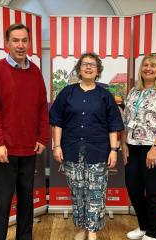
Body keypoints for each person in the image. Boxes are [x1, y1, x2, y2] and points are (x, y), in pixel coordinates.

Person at [49, 52, 124, 240]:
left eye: (92, 64)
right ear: (79, 69)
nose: (88, 67)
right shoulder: (67, 93)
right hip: (71, 150)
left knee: (96, 192)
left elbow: (114, 125)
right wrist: (57, 146)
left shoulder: (105, 96)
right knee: (78, 192)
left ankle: (92, 230)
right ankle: (82, 227)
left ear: (98, 70)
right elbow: (57, 121)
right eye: (85, 64)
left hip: (98, 151)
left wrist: (114, 150)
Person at [0, 23, 48, 240]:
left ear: (29, 43)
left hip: (29, 150)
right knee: (2, 203)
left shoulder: (35, 72)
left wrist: (41, 137)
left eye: (24, 40)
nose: (20, 45)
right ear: (7, 43)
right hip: (4, 152)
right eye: (15, 40)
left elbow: (41, 107)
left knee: (26, 201)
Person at [122, 54, 156, 240]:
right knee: (133, 188)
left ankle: (154, 234)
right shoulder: (133, 92)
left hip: (155, 148)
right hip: (133, 147)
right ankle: (143, 226)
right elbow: (127, 120)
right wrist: (124, 144)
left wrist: (155, 147)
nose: (148, 68)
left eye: (153, 66)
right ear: (141, 69)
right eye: (145, 65)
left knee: (153, 192)